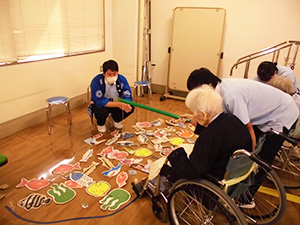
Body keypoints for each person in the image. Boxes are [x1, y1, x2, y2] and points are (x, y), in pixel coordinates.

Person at [132, 85, 252, 195]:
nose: (192, 114)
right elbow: (218, 132)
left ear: (203, 114)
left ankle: (149, 187)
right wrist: (196, 120)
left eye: (194, 112)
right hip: (233, 174)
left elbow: (191, 172)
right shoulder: (232, 119)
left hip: (212, 182)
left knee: (166, 167)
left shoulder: (208, 137)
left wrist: (175, 154)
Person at [187, 68, 299, 166]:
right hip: (271, 110)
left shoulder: (230, 96)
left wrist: (250, 154)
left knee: (262, 159)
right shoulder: (221, 86)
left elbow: (247, 126)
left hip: (282, 114)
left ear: (206, 86)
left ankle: (251, 186)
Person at [90, 60, 134, 132]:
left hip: (117, 101)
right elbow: (99, 100)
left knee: (130, 107)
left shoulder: (121, 79)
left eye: (114, 74)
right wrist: (118, 104)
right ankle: (101, 123)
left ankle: (116, 119)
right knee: (101, 111)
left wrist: (126, 103)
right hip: (103, 105)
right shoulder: (97, 81)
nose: (112, 76)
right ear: (104, 73)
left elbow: (127, 94)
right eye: (109, 74)